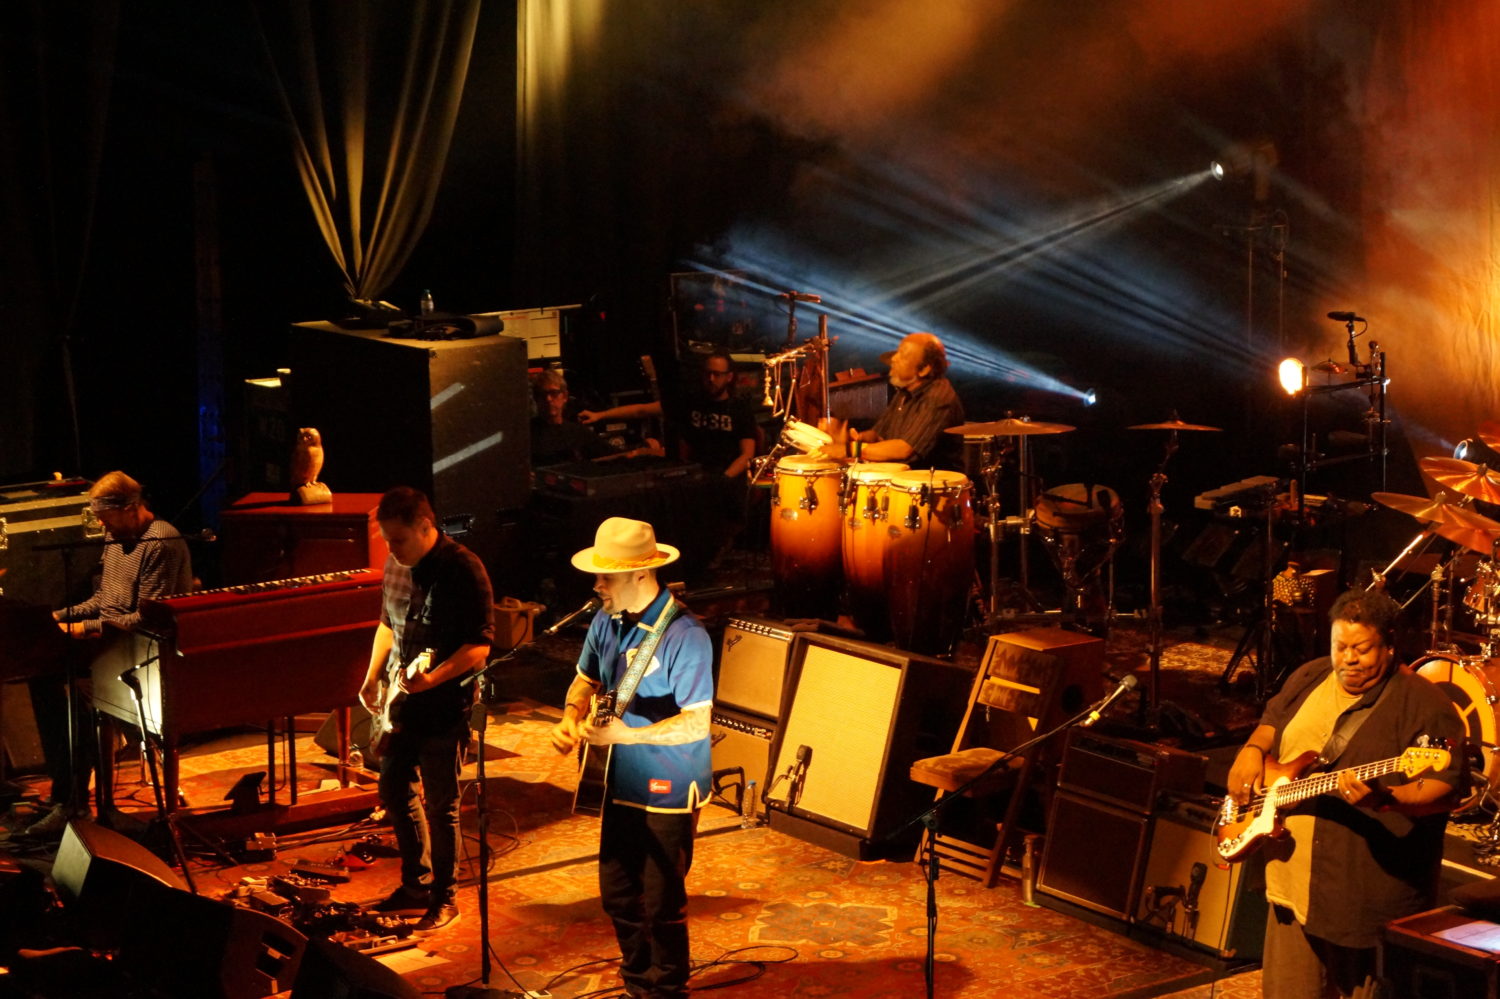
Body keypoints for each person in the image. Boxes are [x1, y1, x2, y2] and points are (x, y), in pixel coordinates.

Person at [1225, 588, 1465, 999]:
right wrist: (1251, 750)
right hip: (1292, 885)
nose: (1348, 659)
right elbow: (1272, 721)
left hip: (1361, 897)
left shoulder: (1425, 705)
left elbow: (1446, 789)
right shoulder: (1310, 675)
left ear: (1390, 645)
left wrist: (1386, 800)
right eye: (1340, 647)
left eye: (1362, 649)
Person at [548, 518, 714, 999]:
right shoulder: (606, 619)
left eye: (607, 576)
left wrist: (626, 735)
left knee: (662, 902)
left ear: (641, 573)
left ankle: (668, 990)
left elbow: (697, 723)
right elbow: (585, 679)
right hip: (617, 779)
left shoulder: (685, 634)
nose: (597, 585)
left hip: (668, 782)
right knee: (618, 894)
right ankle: (639, 984)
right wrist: (570, 716)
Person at [16, 471, 193, 839]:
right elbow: (104, 600)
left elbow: (146, 617)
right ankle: (66, 796)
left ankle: (74, 803)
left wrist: (81, 629)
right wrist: (57, 617)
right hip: (110, 643)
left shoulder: (160, 542)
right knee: (42, 675)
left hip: (145, 651)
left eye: (104, 516)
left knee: (75, 694)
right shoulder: (116, 537)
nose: (100, 525)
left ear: (130, 508)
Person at [358, 487, 494, 933]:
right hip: (402, 704)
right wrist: (372, 676)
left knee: (441, 805)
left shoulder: (464, 569)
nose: (391, 551)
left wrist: (434, 679)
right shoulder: (396, 565)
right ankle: (416, 885)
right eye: (387, 541)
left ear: (425, 526)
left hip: (445, 705)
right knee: (393, 787)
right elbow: (387, 624)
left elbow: (479, 646)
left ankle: (444, 898)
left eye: (398, 540)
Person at [579, 349, 757, 480]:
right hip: (694, 475)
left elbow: (747, 455)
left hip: (727, 477)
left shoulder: (739, 409)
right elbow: (642, 410)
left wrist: (724, 478)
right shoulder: (691, 401)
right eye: (707, 373)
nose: (711, 379)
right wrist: (600, 415)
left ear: (729, 377)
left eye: (717, 374)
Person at [816, 331, 964, 468]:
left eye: (903, 355)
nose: (893, 358)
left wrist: (850, 449)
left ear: (924, 369)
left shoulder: (938, 397)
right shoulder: (903, 393)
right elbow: (879, 434)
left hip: (928, 483)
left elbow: (904, 449)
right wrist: (852, 438)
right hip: (901, 477)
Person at [530, 368, 612, 467]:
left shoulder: (578, 432)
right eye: (542, 394)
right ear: (536, 398)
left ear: (565, 396)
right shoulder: (526, 434)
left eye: (554, 393)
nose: (548, 399)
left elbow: (612, 455)